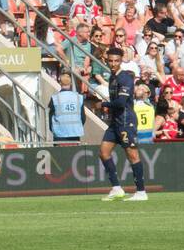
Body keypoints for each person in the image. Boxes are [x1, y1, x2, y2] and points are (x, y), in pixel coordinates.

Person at [98, 47, 148, 201]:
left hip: (126, 121)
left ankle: (141, 192)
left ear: (121, 61)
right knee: (103, 152)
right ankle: (117, 188)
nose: (113, 64)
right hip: (115, 122)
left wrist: (104, 104)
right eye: (110, 61)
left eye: (116, 61)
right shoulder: (112, 77)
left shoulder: (125, 78)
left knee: (132, 155)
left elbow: (120, 102)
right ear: (107, 60)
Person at [49, 72, 86, 142]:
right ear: (71, 83)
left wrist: (53, 129)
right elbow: (83, 117)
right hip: (75, 133)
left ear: (60, 83)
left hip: (59, 133)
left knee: (60, 153)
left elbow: (50, 117)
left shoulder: (55, 98)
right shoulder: (79, 97)